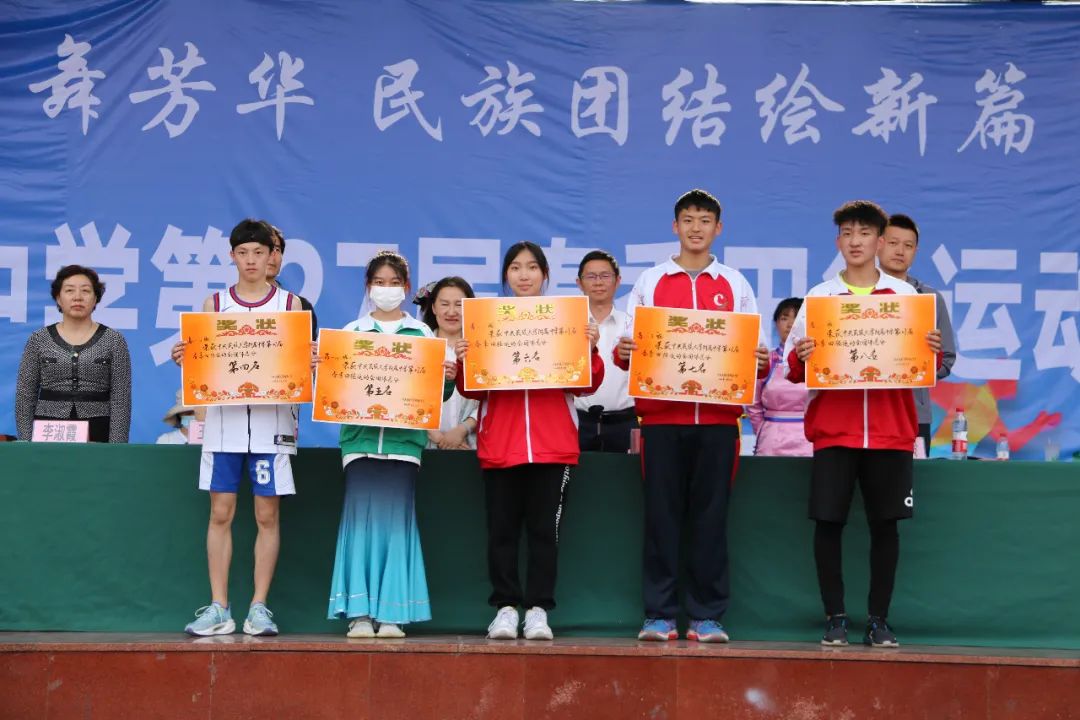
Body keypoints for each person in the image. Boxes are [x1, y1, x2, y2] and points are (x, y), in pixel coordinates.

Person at [783, 200, 942, 648]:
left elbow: (922, 368)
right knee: (828, 523)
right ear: (838, 241)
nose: (856, 241)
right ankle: (834, 617)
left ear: (880, 241)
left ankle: (878, 620)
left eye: (865, 233)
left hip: (891, 431)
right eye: (848, 233)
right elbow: (793, 368)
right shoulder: (820, 297)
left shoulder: (906, 298)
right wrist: (802, 355)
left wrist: (928, 349)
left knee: (885, 526)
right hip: (835, 430)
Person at [614, 189, 770, 643]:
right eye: (688, 219)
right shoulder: (651, 281)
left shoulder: (735, 284)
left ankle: (707, 616)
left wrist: (759, 361)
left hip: (719, 423)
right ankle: (659, 614)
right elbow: (628, 350)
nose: (696, 228)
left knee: (711, 518)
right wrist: (626, 351)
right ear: (675, 226)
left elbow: (755, 353)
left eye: (704, 220)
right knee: (661, 518)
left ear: (718, 228)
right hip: (662, 421)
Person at [171, 219, 312, 637]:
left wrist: (310, 361)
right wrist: (187, 357)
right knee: (220, 512)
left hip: (272, 424)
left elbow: (299, 367)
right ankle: (219, 607)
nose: (251, 260)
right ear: (232, 256)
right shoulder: (214, 304)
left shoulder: (291, 305)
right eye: (243, 253)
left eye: (259, 252)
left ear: (272, 257)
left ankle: (259, 607)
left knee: (267, 514)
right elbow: (202, 362)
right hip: (223, 425)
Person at [455, 242, 603, 641]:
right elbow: (472, 390)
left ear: (545, 275)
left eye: (532, 267)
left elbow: (586, 384)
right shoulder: (487, 322)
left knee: (544, 534)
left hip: (552, 445)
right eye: (516, 268)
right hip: (501, 446)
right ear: (506, 275)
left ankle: (538, 610)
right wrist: (467, 358)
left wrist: (589, 348)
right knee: (501, 533)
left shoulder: (565, 321)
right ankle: (505, 608)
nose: (524, 275)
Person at [328, 251, 457, 638]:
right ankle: (358, 613)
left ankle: (391, 614)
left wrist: (448, 378)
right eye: (379, 283)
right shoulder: (352, 332)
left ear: (406, 287)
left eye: (394, 283)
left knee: (397, 525)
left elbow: (438, 397)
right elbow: (335, 392)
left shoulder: (423, 335)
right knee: (359, 523)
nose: (387, 289)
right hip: (360, 442)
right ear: (368, 287)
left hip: (404, 444)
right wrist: (324, 369)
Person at [16, 265, 131, 443]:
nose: (78, 297)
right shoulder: (38, 339)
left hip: (98, 429)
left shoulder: (114, 340)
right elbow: (25, 395)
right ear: (58, 298)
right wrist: (26, 443)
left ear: (95, 298)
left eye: (85, 291)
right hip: (48, 429)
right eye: (69, 290)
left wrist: (117, 448)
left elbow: (121, 398)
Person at [877, 214, 957, 455]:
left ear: (915, 251)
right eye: (893, 243)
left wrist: (923, 364)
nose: (900, 251)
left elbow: (946, 359)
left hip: (914, 412)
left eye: (908, 245)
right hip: (865, 413)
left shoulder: (929, 299)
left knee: (909, 478)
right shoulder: (857, 296)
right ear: (878, 244)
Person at [574, 251, 637, 453]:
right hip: (579, 422)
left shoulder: (632, 324)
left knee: (626, 474)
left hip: (624, 422)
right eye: (591, 276)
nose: (598, 282)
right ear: (579, 283)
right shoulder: (569, 326)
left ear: (618, 281)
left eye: (605, 276)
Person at [415, 277, 479, 450]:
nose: (452, 312)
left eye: (459, 305)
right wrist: (436, 436)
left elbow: (490, 400)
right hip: (424, 446)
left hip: (470, 446)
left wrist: (462, 430)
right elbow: (408, 397)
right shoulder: (419, 347)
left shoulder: (482, 347)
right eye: (444, 304)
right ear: (433, 308)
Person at [747, 298, 812, 457]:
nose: (790, 324)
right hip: (772, 439)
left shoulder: (818, 363)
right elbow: (753, 404)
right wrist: (764, 431)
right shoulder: (766, 360)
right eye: (784, 318)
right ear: (775, 323)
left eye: (797, 318)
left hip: (809, 439)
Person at [265, 223, 319, 340]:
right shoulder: (227, 304)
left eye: (277, 249)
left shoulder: (301, 306)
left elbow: (305, 349)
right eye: (264, 249)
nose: (272, 255)